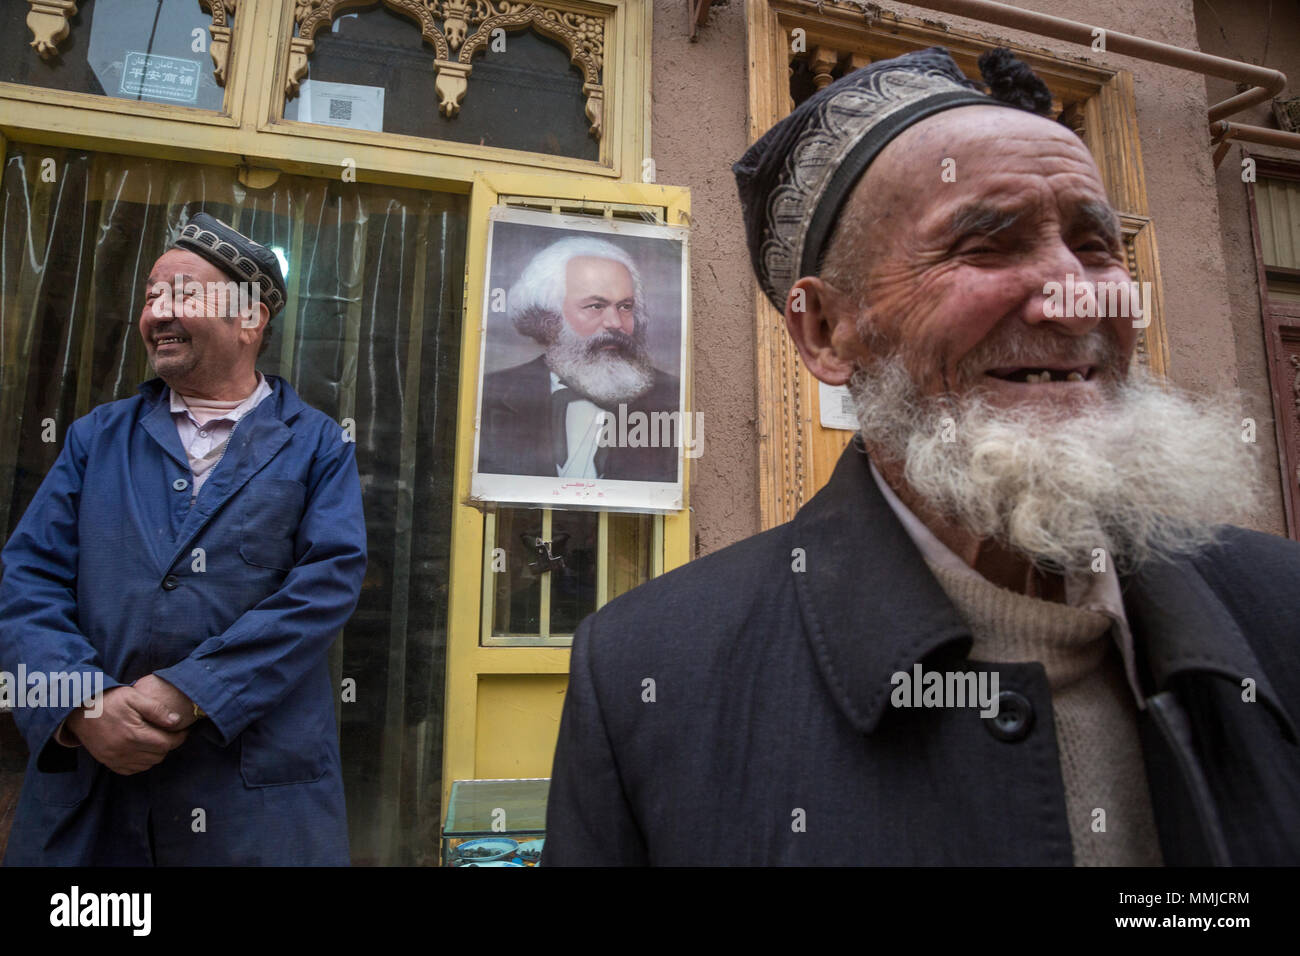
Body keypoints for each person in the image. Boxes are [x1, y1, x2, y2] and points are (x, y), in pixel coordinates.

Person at [543, 47, 1300, 865]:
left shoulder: (1282, 612)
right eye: (987, 245)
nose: (1075, 291)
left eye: (1095, 245)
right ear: (826, 332)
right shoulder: (649, 680)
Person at [0, 213, 367, 865]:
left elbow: (324, 587)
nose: (158, 314)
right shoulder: (95, 439)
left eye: (183, 295)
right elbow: (26, 583)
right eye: (150, 297)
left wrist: (194, 690)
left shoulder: (315, 446)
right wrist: (80, 703)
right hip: (97, 789)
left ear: (250, 320)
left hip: (251, 798)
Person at [477, 236, 680, 482]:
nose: (615, 323)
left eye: (625, 307)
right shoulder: (489, 395)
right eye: (595, 306)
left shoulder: (673, 398)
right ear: (550, 316)